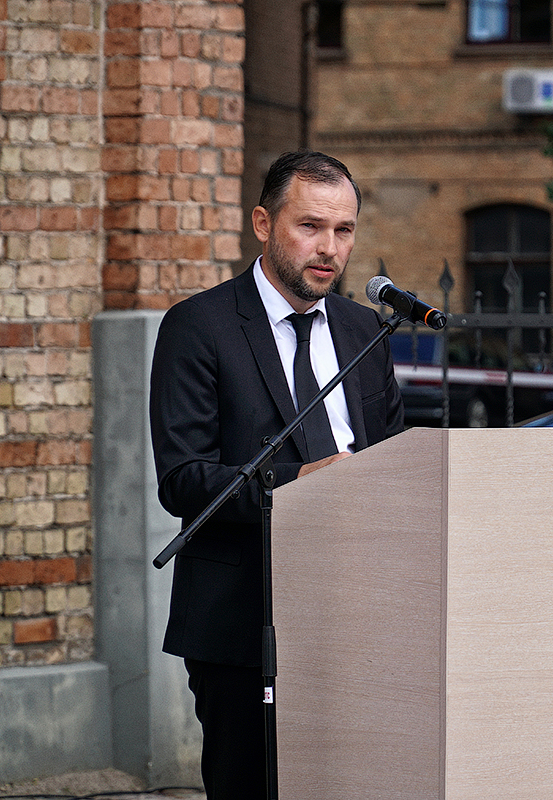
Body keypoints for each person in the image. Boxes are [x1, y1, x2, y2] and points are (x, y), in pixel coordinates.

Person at [148, 150, 405, 799]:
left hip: (355, 615)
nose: (329, 248)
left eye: (343, 230)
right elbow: (183, 477)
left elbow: (395, 460)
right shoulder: (199, 326)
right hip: (243, 619)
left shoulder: (365, 330)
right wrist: (299, 482)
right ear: (263, 224)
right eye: (309, 226)